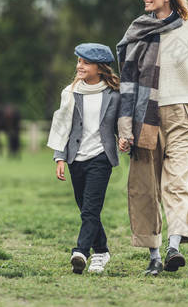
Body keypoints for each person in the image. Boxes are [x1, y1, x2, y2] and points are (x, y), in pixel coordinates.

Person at [116, 0, 188, 276]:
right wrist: (125, 128)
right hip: (146, 116)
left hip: (184, 114)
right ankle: (153, 254)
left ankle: (174, 245)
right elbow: (127, 85)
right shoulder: (139, 31)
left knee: (177, 182)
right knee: (146, 186)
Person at [47, 43, 121, 274]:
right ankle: (102, 251)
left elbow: (123, 122)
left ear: (100, 68)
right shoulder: (70, 93)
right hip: (75, 158)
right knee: (85, 207)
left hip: (101, 157)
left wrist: (125, 138)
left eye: (85, 63)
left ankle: (81, 251)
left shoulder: (114, 94)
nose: (79, 66)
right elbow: (61, 127)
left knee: (91, 208)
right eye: (78, 61)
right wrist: (59, 157)